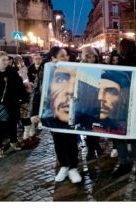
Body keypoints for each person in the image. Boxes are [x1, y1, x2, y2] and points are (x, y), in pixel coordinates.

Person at [32, 46, 82, 183]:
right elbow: (37, 93)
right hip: (53, 112)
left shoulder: (75, 69)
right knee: (58, 140)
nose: (66, 58)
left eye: (67, 55)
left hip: (71, 111)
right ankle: (64, 166)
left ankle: (73, 168)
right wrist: (34, 112)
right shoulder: (45, 71)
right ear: (53, 58)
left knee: (71, 140)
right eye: (62, 56)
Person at [111, 39, 136, 181]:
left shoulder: (123, 64)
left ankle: (124, 163)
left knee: (120, 135)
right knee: (134, 136)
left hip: (123, 104)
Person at [0, 51, 27, 159]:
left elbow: (20, 86)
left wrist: (23, 98)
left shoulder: (12, 72)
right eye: (3, 60)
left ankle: (13, 141)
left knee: (12, 123)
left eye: (7, 60)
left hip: (12, 103)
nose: (6, 62)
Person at [80, 46, 104, 160]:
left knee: (96, 126)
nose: (91, 58)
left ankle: (96, 145)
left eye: (93, 56)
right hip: (85, 101)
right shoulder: (79, 66)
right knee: (88, 127)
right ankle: (91, 149)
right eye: (88, 56)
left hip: (97, 100)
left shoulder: (100, 67)